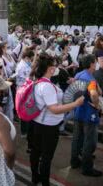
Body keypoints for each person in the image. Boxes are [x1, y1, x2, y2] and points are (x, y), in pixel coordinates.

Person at [30, 53, 85, 185]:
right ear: (50, 69)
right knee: (46, 157)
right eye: (54, 66)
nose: (56, 68)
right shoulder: (47, 86)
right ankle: (44, 182)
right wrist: (75, 104)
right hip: (48, 126)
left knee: (36, 153)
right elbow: (54, 109)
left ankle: (35, 177)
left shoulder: (37, 80)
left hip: (36, 122)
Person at [70, 54, 103, 177]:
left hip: (79, 111)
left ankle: (74, 161)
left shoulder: (79, 74)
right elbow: (94, 94)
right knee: (90, 141)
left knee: (77, 138)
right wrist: (97, 105)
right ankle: (87, 167)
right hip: (89, 114)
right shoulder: (90, 79)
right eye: (95, 62)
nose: (96, 64)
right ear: (91, 64)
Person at [15, 48, 35, 137]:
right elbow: (29, 78)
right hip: (23, 91)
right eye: (31, 58)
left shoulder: (25, 64)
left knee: (26, 109)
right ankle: (24, 132)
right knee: (24, 111)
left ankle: (26, 130)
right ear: (27, 57)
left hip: (25, 89)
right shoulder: (22, 66)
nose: (31, 60)